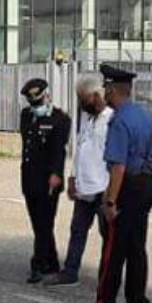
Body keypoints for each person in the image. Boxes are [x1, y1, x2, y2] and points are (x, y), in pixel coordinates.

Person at [76, 65, 152, 303]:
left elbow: (118, 167)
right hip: (147, 184)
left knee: (113, 251)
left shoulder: (119, 121)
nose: (104, 92)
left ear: (112, 90)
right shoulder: (142, 114)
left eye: (106, 88)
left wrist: (110, 201)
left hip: (127, 188)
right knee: (137, 247)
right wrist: (151, 161)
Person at [46, 75, 112, 288]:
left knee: (108, 235)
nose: (81, 104)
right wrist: (73, 177)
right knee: (77, 231)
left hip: (103, 187)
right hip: (84, 187)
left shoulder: (111, 120)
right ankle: (70, 272)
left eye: (83, 99)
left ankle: (107, 277)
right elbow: (80, 149)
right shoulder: (88, 119)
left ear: (96, 96)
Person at [19, 78, 70, 284]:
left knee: (44, 223)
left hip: (49, 179)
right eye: (32, 102)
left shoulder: (60, 119)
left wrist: (57, 173)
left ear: (46, 96)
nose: (36, 105)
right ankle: (52, 261)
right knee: (39, 223)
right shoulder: (26, 115)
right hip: (29, 178)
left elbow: (59, 150)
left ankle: (38, 264)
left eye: (38, 101)